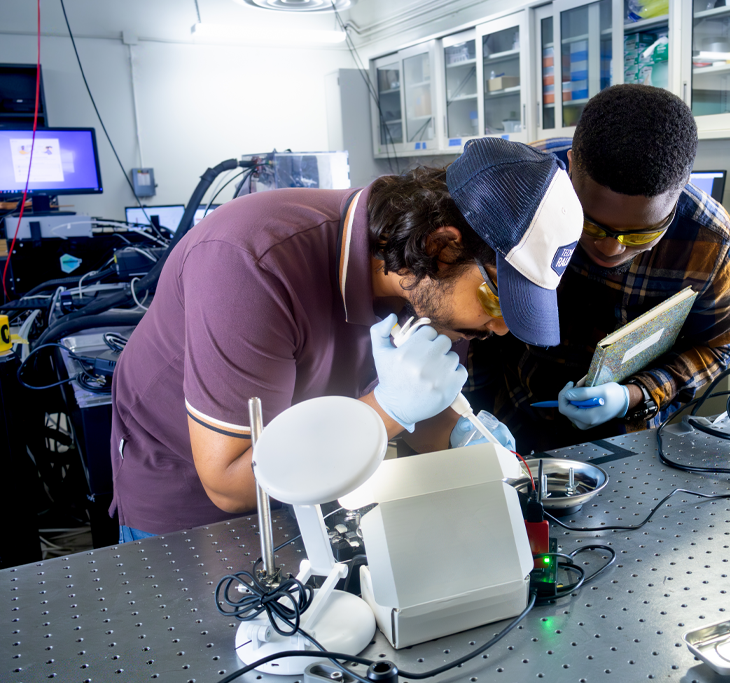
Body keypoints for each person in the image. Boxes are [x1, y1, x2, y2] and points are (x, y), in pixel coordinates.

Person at [109, 138, 583, 539]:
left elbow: (421, 411)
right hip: (196, 514)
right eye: (499, 302)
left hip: (321, 489)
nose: (499, 328)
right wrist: (387, 409)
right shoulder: (251, 263)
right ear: (441, 247)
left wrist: (466, 442)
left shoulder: (429, 283)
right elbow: (232, 482)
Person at [465, 84, 730, 454]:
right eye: (591, 224)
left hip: (625, 439)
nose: (610, 247)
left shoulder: (711, 242)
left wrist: (633, 394)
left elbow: (720, 342)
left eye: (639, 235)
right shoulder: (519, 190)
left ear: (679, 192)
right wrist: (467, 417)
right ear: (570, 167)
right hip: (508, 413)